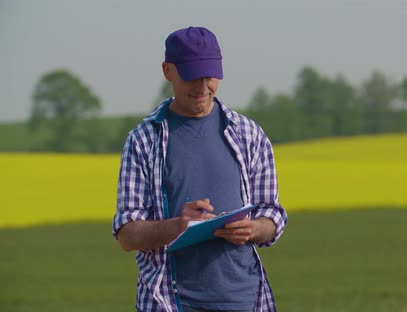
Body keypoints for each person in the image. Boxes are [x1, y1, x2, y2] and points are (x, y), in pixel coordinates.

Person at [112, 26, 287, 312]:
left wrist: (253, 228)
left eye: (210, 75)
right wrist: (178, 226)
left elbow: (272, 215)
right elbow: (127, 234)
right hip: (168, 303)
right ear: (167, 70)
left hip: (246, 301)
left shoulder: (249, 134)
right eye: (192, 75)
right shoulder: (143, 140)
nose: (203, 86)